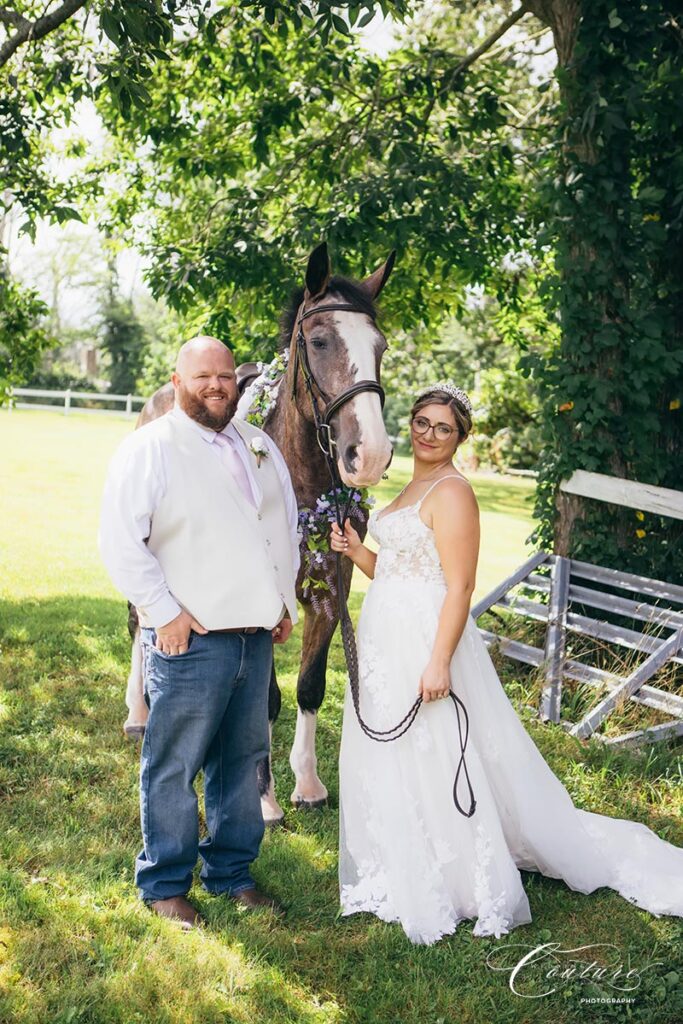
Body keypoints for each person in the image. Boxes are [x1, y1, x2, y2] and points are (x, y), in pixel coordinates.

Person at [330, 381, 683, 946]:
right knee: (392, 748)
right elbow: (399, 571)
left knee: (436, 748)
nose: (429, 434)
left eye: (443, 428)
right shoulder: (409, 485)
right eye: (422, 422)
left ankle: (457, 875)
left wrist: (439, 661)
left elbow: (460, 585)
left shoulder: (452, 492)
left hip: (426, 637)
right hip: (383, 636)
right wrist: (357, 552)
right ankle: (398, 857)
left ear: (459, 438)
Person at [99, 335, 300, 930]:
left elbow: (281, 528)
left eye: (225, 376)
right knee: (174, 764)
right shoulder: (151, 449)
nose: (217, 385)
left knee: (242, 762)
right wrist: (164, 613)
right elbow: (119, 542)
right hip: (191, 640)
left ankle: (231, 873)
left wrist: (282, 602)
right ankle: (164, 884)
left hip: (253, 636)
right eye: (202, 376)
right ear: (177, 379)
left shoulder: (259, 445)